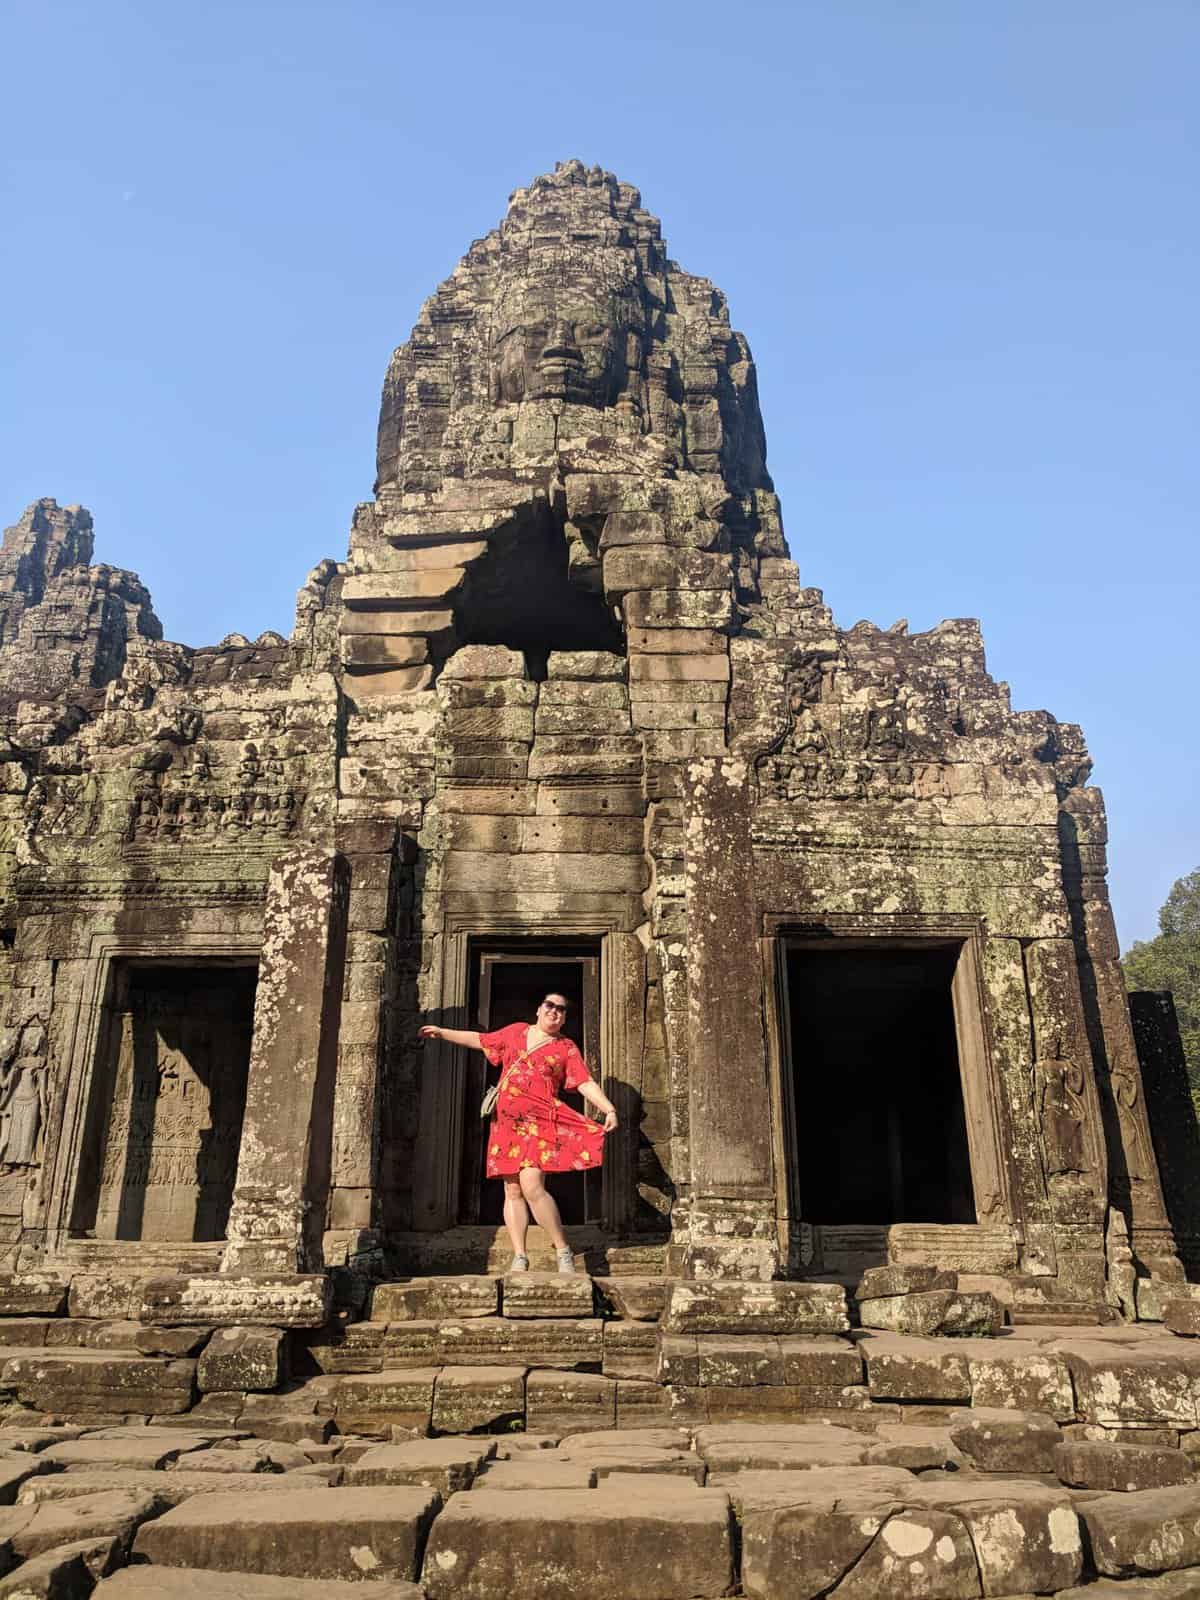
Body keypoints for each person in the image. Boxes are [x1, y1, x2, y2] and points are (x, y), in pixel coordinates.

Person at [420, 993, 618, 1274]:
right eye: (550, 1006)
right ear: (539, 1009)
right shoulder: (515, 1032)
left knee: (532, 1184)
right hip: (507, 1124)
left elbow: (584, 1082)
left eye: (562, 1010)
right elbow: (480, 1040)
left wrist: (608, 1108)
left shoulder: (565, 1047)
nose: (555, 1012)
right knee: (512, 1190)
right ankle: (520, 1256)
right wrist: (443, 1032)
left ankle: (562, 1250)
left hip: (540, 1123)